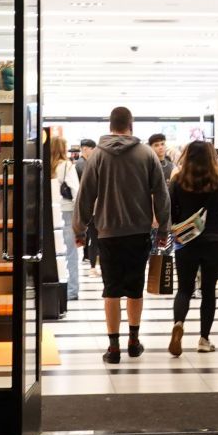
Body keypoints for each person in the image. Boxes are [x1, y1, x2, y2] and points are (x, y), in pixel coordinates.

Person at [73, 106, 169, 364]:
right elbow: (161, 195)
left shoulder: (96, 157)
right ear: (131, 124)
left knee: (111, 289)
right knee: (135, 289)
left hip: (107, 233)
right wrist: (164, 230)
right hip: (138, 232)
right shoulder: (146, 154)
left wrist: (79, 229)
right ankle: (134, 341)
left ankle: (113, 347)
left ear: (110, 124)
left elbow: (85, 196)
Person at [167, 140, 218, 356]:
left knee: (184, 289)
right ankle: (204, 339)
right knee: (208, 292)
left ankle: (179, 322)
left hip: (186, 242)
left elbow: (170, 210)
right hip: (213, 242)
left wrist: (181, 227)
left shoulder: (178, 181)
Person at [49, 132, 81, 302]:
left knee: (55, 253)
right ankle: (72, 289)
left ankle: (56, 286)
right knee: (70, 253)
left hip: (51, 213)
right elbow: (76, 191)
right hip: (68, 212)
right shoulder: (67, 166)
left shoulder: (47, 166)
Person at [77, 137, 99, 269]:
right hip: (89, 206)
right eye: (93, 149)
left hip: (87, 205)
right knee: (93, 235)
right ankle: (92, 264)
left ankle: (88, 257)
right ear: (86, 149)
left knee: (91, 234)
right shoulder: (83, 165)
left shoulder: (82, 163)